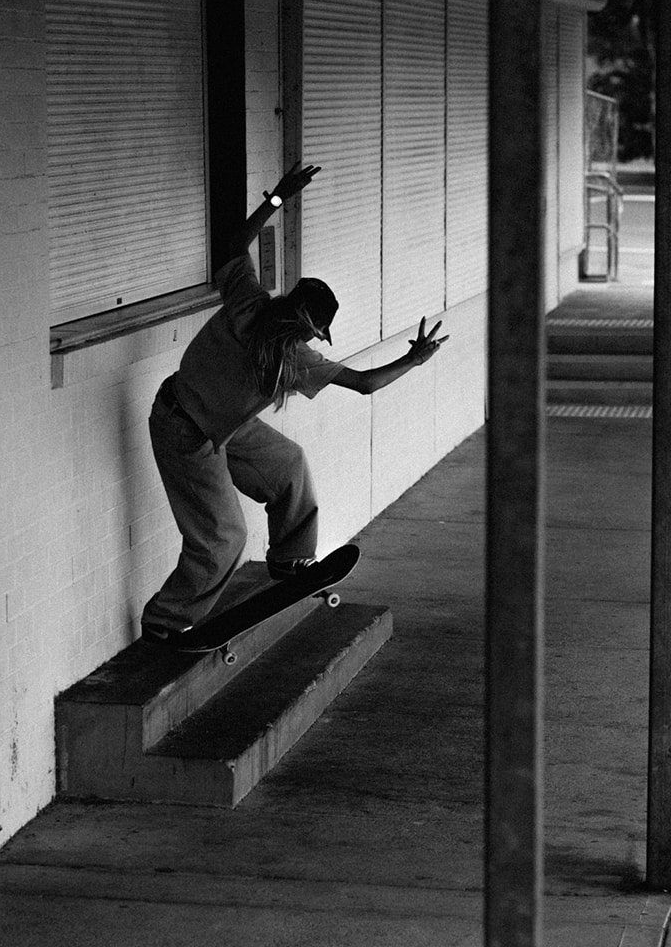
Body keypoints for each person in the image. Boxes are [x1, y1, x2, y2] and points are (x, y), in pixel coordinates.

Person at [140, 163, 446, 643]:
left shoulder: (250, 300)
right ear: (307, 325)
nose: (314, 339)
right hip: (185, 430)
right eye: (316, 332)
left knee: (288, 465)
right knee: (224, 537)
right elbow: (364, 384)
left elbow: (236, 243)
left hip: (216, 423)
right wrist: (415, 359)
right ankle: (164, 622)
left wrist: (279, 198)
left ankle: (288, 559)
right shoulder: (293, 354)